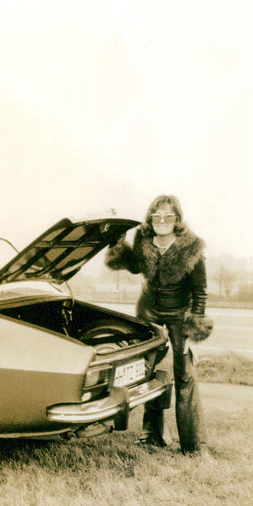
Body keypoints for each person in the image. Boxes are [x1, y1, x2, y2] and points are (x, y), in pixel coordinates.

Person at [105, 194, 213, 454]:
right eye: (157, 215)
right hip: (148, 312)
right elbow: (132, 265)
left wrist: (191, 332)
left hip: (180, 315)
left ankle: (195, 445)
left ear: (177, 219)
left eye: (168, 216)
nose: (162, 220)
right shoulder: (143, 238)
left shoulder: (192, 246)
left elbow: (200, 293)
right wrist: (117, 241)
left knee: (184, 374)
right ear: (150, 218)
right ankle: (152, 435)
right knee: (150, 370)